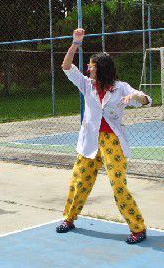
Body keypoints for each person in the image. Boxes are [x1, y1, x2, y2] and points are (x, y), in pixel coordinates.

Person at [56, 28, 151, 244]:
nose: (88, 68)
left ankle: (138, 228)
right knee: (78, 181)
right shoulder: (87, 85)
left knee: (118, 185)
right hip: (90, 141)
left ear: (102, 69)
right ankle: (69, 219)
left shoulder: (120, 88)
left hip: (112, 142)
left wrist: (139, 96)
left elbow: (145, 100)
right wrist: (75, 43)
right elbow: (66, 66)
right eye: (89, 65)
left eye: (92, 66)